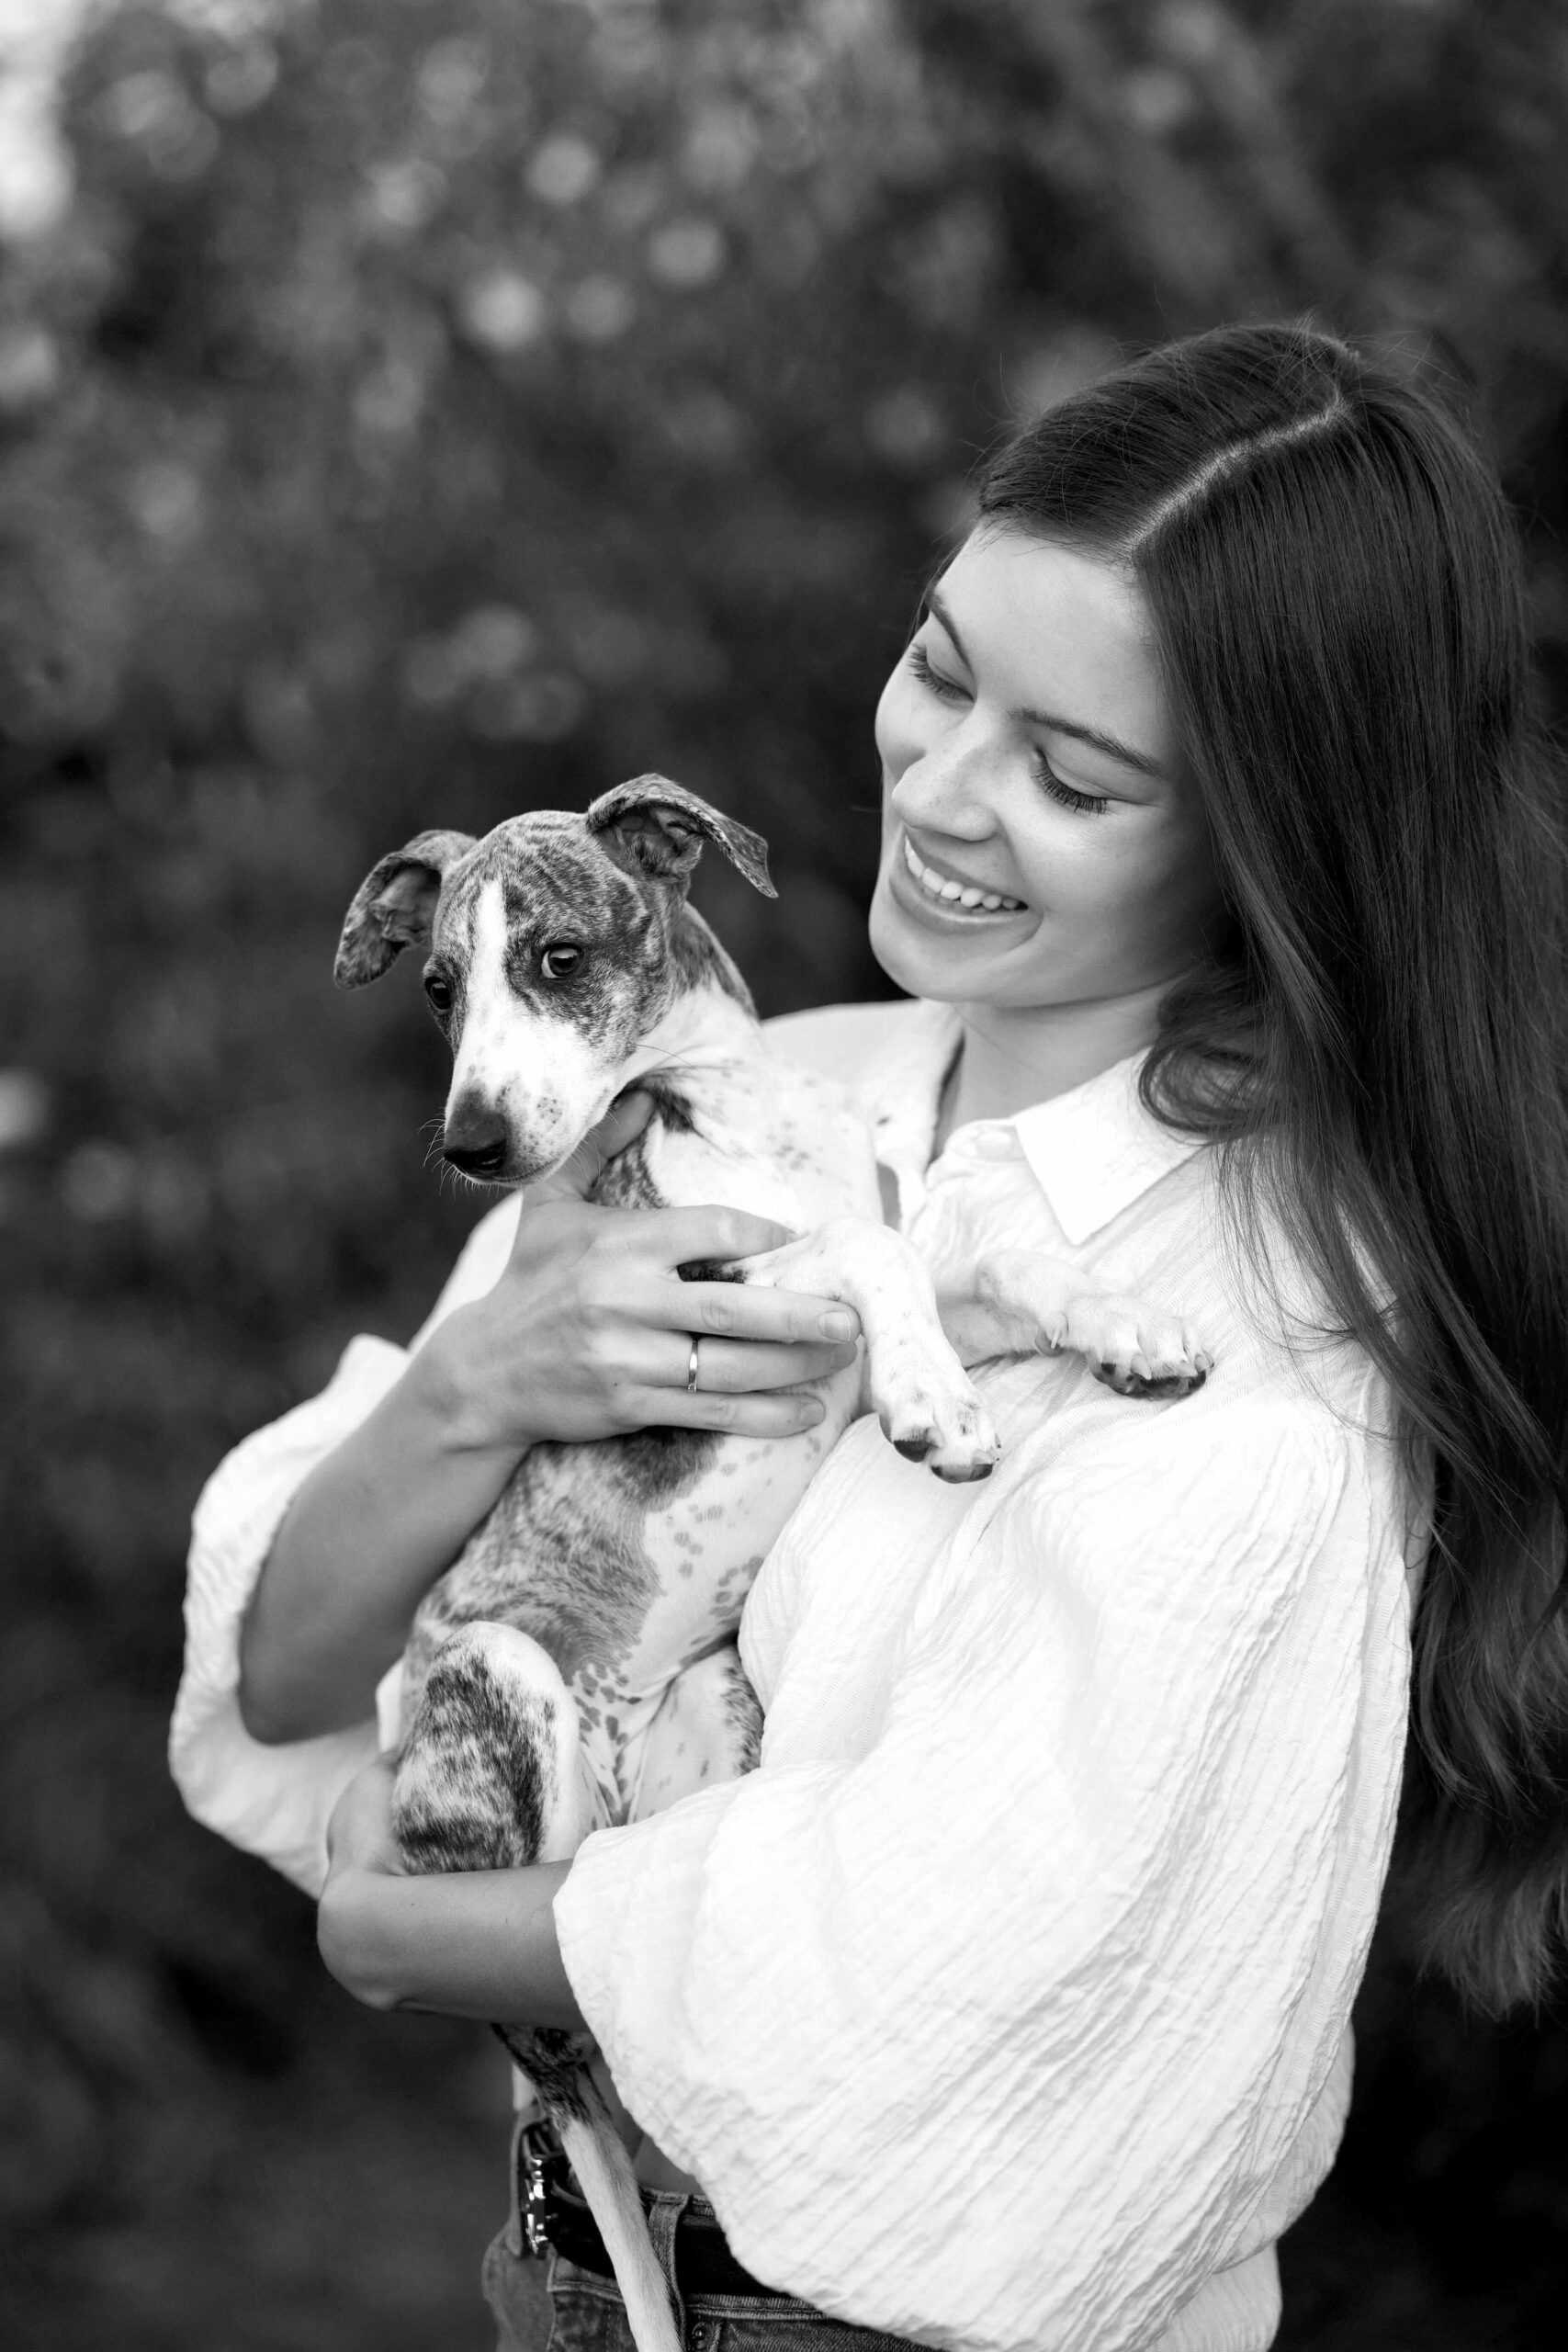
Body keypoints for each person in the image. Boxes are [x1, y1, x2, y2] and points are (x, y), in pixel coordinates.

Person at [171, 322, 1568, 2352]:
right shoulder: (745, 1095)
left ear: (1271, 841)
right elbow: (292, 1677)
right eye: (939, 665)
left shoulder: (1261, 1339)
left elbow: (955, 1950)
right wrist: (479, 1384)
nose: (941, 787)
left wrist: (401, 1935)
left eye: (1070, 772)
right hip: (572, 2284)